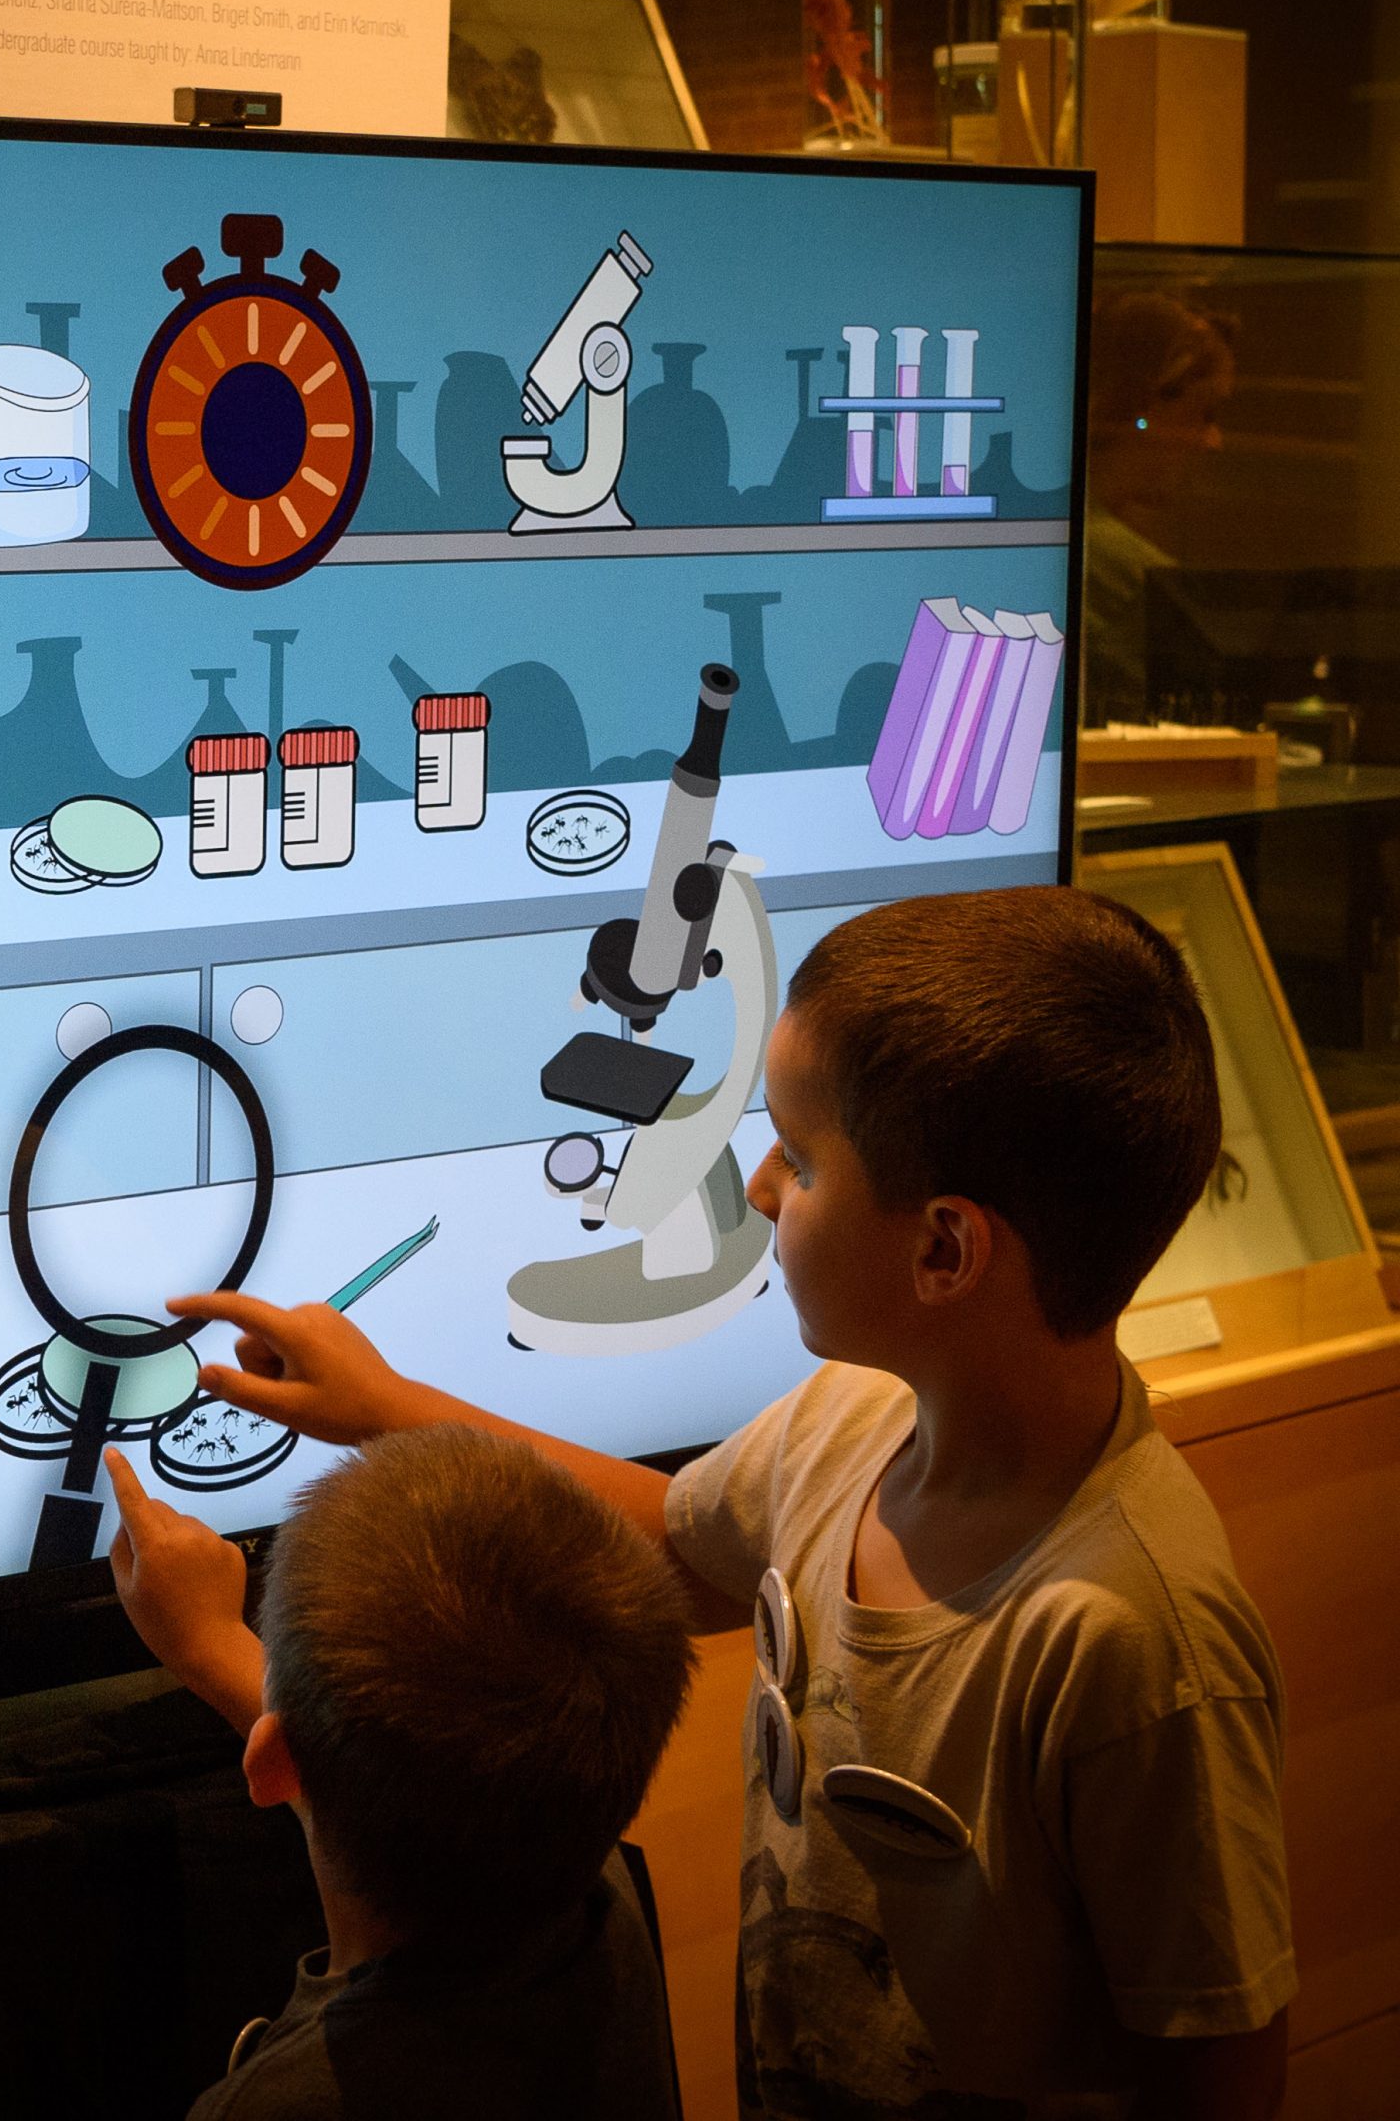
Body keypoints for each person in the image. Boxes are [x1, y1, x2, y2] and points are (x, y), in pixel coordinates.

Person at [115, 887, 1295, 2121]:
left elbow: (1217, 2058)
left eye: (801, 1150)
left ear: (943, 1251)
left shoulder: (1137, 1642)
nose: (764, 1181)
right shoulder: (851, 1417)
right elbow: (675, 1548)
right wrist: (384, 1405)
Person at [106, 1423, 691, 2119]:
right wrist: (213, 1645)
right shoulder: (594, 1895)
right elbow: (348, 1764)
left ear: (272, 1768)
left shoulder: (269, 2106)